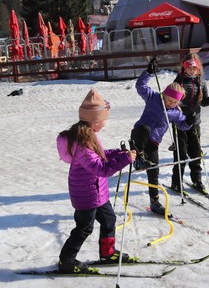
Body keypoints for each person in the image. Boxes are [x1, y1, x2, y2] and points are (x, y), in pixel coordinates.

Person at [56, 89, 136, 274]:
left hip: (98, 193)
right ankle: (66, 260)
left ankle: (107, 253)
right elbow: (101, 169)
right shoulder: (82, 143)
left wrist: (118, 153)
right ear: (95, 121)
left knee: (109, 219)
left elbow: (100, 155)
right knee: (84, 228)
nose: (105, 123)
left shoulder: (89, 135)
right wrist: (125, 160)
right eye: (104, 120)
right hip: (86, 195)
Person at [131, 59, 194, 215]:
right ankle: (138, 158)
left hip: (153, 143)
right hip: (138, 136)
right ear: (164, 95)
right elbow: (140, 86)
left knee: (154, 170)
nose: (171, 104)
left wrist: (191, 121)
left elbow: (182, 126)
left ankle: (154, 201)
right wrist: (149, 72)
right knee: (145, 128)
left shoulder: (175, 112)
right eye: (170, 100)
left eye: (175, 102)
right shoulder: (153, 98)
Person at [170, 53, 209, 195]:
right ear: (184, 68)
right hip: (180, 122)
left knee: (196, 153)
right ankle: (176, 181)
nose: (192, 70)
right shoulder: (179, 82)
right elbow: (172, 102)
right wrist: (182, 114)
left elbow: (203, 102)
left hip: (195, 122)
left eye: (194, 68)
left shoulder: (201, 82)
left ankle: (197, 179)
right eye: (189, 67)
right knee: (181, 154)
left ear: (198, 69)